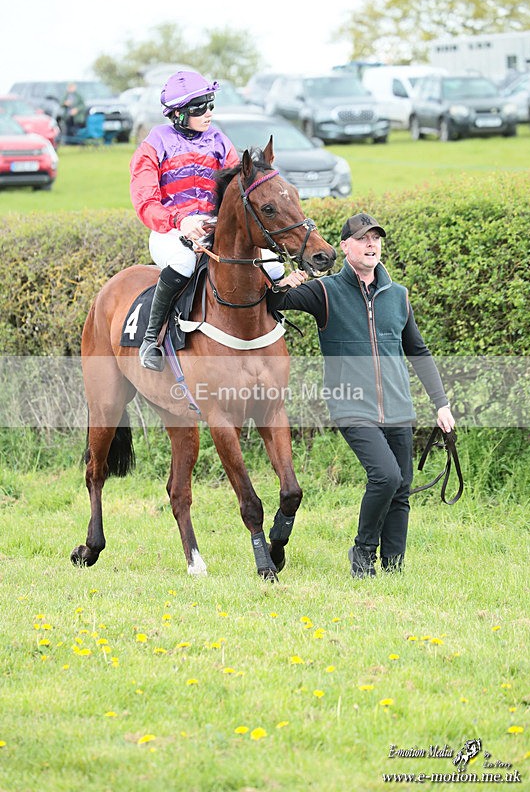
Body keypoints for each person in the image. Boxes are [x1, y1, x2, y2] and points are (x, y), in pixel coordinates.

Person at [271, 212, 455, 578]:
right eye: (362, 238)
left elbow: (417, 351)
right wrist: (283, 286)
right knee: (385, 476)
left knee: (401, 487)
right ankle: (364, 551)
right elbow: (272, 306)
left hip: (399, 407)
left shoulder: (397, 296)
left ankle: (394, 566)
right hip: (351, 405)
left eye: (376, 238)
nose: (371, 245)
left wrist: (441, 404)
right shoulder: (325, 292)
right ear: (345, 246)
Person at [130, 69, 284, 371]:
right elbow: (145, 201)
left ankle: (271, 329)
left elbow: (235, 191)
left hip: (217, 229)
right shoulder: (154, 144)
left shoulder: (219, 140)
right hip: (170, 230)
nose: (208, 113)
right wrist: (180, 221)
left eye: (210, 104)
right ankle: (151, 339)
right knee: (183, 266)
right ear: (178, 114)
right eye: (199, 107)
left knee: (274, 266)